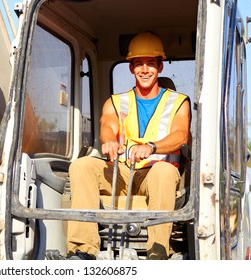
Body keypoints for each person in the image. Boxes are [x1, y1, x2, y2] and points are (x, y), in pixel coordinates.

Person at [66, 32, 191, 260]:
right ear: (131, 68)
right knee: (81, 166)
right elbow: (107, 124)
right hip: (123, 173)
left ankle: (157, 252)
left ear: (160, 67)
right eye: (139, 64)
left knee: (164, 171)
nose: (145, 70)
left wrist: (152, 147)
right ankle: (82, 251)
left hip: (155, 173)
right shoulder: (116, 101)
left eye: (151, 64)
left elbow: (181, 135)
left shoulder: (178, 102)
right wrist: (109, 142)